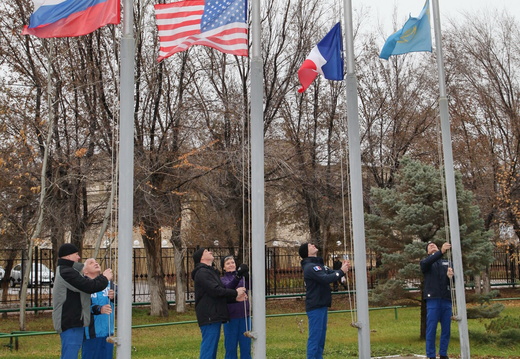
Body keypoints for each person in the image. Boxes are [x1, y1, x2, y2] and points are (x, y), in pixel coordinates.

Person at [52, 243, 113, 359]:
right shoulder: (66, 272)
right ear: (68, 256)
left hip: (75, 321)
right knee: (69, 355)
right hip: (70, 322)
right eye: (76, 254)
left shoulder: (69, 271)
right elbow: (89, 286)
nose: (79, 257)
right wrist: (104, 278)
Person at [191, 248, 247, 359]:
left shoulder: (209, 272)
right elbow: (215, 290)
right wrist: (235, 293)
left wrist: (235, 299)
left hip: (214, 315)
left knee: (211, 349)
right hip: (209, 316)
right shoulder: (202, 272)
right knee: (209, 349)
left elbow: (218, 295)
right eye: (207, 251)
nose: (210, 252)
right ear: (201, 257)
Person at [299, 242, 349, 359]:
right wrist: (341, 271)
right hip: (315, 306)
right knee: (315, 338)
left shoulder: (319, 265)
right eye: (310, 245)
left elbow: (331, 273)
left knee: (321, 338)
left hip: (322, 305)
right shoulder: (310, 267)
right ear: (306, 252)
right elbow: (325, 278)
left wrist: (342, 269)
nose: (313, 245)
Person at [420, 241, 454, 359]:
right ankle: (431, 355)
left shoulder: (447, 262)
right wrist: (441, 251)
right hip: (433, 299)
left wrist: (451, 276)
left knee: (446, 329)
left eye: (434, 244)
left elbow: (454, 280)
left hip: (446, 299)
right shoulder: (426, 263)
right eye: (429, 246)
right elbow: (426, 263)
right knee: (431, 328)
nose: (432, 245)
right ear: (427, 251)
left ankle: (443, 354)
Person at [82, 258, 116, 359]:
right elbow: (83, 306)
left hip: (107, 332)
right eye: (91, 263)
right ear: (85, 271)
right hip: (91, 333)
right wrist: (99, 309)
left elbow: (122, 300)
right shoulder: (83, 285)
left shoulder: (110, 284)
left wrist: (114, 296)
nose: (96, 263)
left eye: (96, 262)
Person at [220, 255, 251, 359]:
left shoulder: (241, 277)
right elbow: (228, 288)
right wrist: (237, 276)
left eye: (232, 262)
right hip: (231, 317)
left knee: (246, 346)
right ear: (223, 267)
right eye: (228, 263)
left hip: (244, 316)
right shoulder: (222, 279)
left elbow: (251, 285)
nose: (231, 265)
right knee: (231, 347)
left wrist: (247, 276)